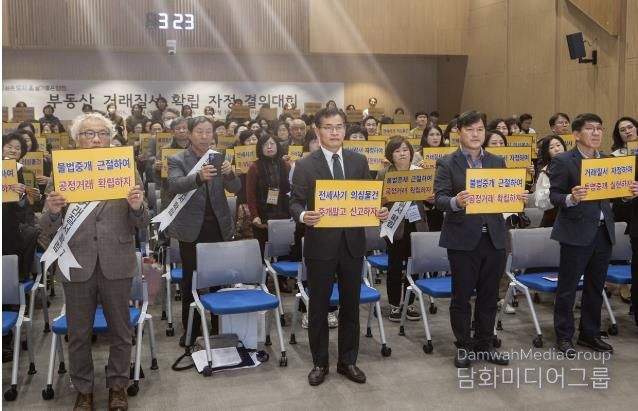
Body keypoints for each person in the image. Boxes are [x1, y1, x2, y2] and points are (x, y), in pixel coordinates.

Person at [39, 113, 149, 411]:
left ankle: (118, 386)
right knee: (78, 334)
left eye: (102, 133)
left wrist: (137, 207)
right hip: (76, 262)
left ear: (111, 138)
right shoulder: (63, 171)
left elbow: (143, 222)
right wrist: (52, 212)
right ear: (77, 139)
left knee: (121, 332)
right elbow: (46, 228)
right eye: (89, 133)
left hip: (117, 260)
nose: (96, 138)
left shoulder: (127, 169)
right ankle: (83, 390)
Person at [290, 108, 389, 386]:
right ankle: (320, 363)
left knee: (350, 306)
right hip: (320, 245)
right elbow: (294, 201)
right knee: (319, 307)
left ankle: (348, 361)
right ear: (317, 130)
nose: (335, 132)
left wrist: (379, 211)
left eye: (339, 127)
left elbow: (368, 198)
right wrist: (303, 215)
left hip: (352, 244)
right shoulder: (305, 164)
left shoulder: (358, 161)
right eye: (328, 127)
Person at [434, 110, 528, 368]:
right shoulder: (447, 163)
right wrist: (456, 201)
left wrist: (518, 198)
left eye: (480, 130)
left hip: (495, 238)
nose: (476, 135)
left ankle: (485, 343)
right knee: (461, 296)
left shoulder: (497, 161)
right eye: (470, 130)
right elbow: (440, 199)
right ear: (459, 132)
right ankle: (464, 346)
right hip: (462, 240)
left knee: (489, 295)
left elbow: (505, 196)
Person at [549, 113, 638, 358]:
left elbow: (617, 195)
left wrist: (628, 194)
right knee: (568, 288)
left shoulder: (608, 160)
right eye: (590, 128)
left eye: (599, 128)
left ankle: (589, 333)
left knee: (596, 287)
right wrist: (571, 197)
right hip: (575, 232)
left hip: (603, 232)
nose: (596, 132)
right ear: (577, 134)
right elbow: (554, 196)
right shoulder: (564, 161)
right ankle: (564, 336)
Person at [166, 116, 241, 346]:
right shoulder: (177, 159)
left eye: (209, 131)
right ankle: (191, 330)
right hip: (191, 229)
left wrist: (230, 174)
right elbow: (174, 185)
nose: (205, 136)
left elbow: (236, 188)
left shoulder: (219, 157)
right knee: (192, 280)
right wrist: (198, 178)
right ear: (189, 134)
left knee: (220, 280)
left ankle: (219, 328)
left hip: (218, 226)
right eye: (200, 132)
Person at [377, 136, 427, 322]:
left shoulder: (419, 172)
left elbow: (429, 203)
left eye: (405, 150)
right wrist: (385, 199)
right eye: (397, 151)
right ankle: (395, 305)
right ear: (391, 155)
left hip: (416, 224)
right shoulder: (383, 174)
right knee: (395, 267)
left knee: (414, 265)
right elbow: (377, 201)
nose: (402, 154)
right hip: (395, 225)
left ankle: (410, 302)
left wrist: (430, 199)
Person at [246, 134, 291, 257]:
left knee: (284, 251)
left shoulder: (285, 165)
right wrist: (255, 215)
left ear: (277, 146)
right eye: (265, 145)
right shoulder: (254, 167)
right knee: (264, 253)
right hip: (263, 216)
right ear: (260, 148)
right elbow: (250, 194)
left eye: (272, 144)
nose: (269, 147)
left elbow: (292, 190)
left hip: (284, 213)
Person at [153, 117, 191, 211]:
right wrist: (157, 169)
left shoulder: (197, 149)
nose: (181, 131)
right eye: (178, 128)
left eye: (184, 128)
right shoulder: (164, 150)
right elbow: (157, 179)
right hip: (170, 194)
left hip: (192, 192)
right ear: (172, 132)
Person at [532, 135, 567, 227]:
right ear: (547, 153)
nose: (557, 149)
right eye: (551, 148)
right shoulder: (545, 172)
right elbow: (540, 203)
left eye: (558, 145)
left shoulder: (575, 165)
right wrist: (555, 189)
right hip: (554, 219)